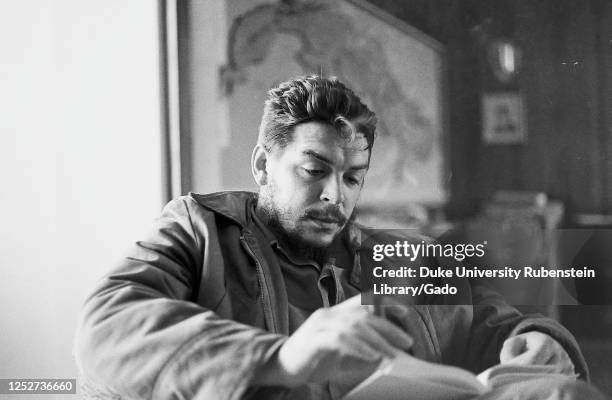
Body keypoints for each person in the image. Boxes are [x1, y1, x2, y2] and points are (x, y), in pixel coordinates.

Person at [74, 75, 604, 400]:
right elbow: (107, 326)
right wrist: (280, 358)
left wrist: (542, 341)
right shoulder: (198, 229)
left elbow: (499, 325)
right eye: (314, 170)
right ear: (263, 163)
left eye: (353, 178)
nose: (336, 196)